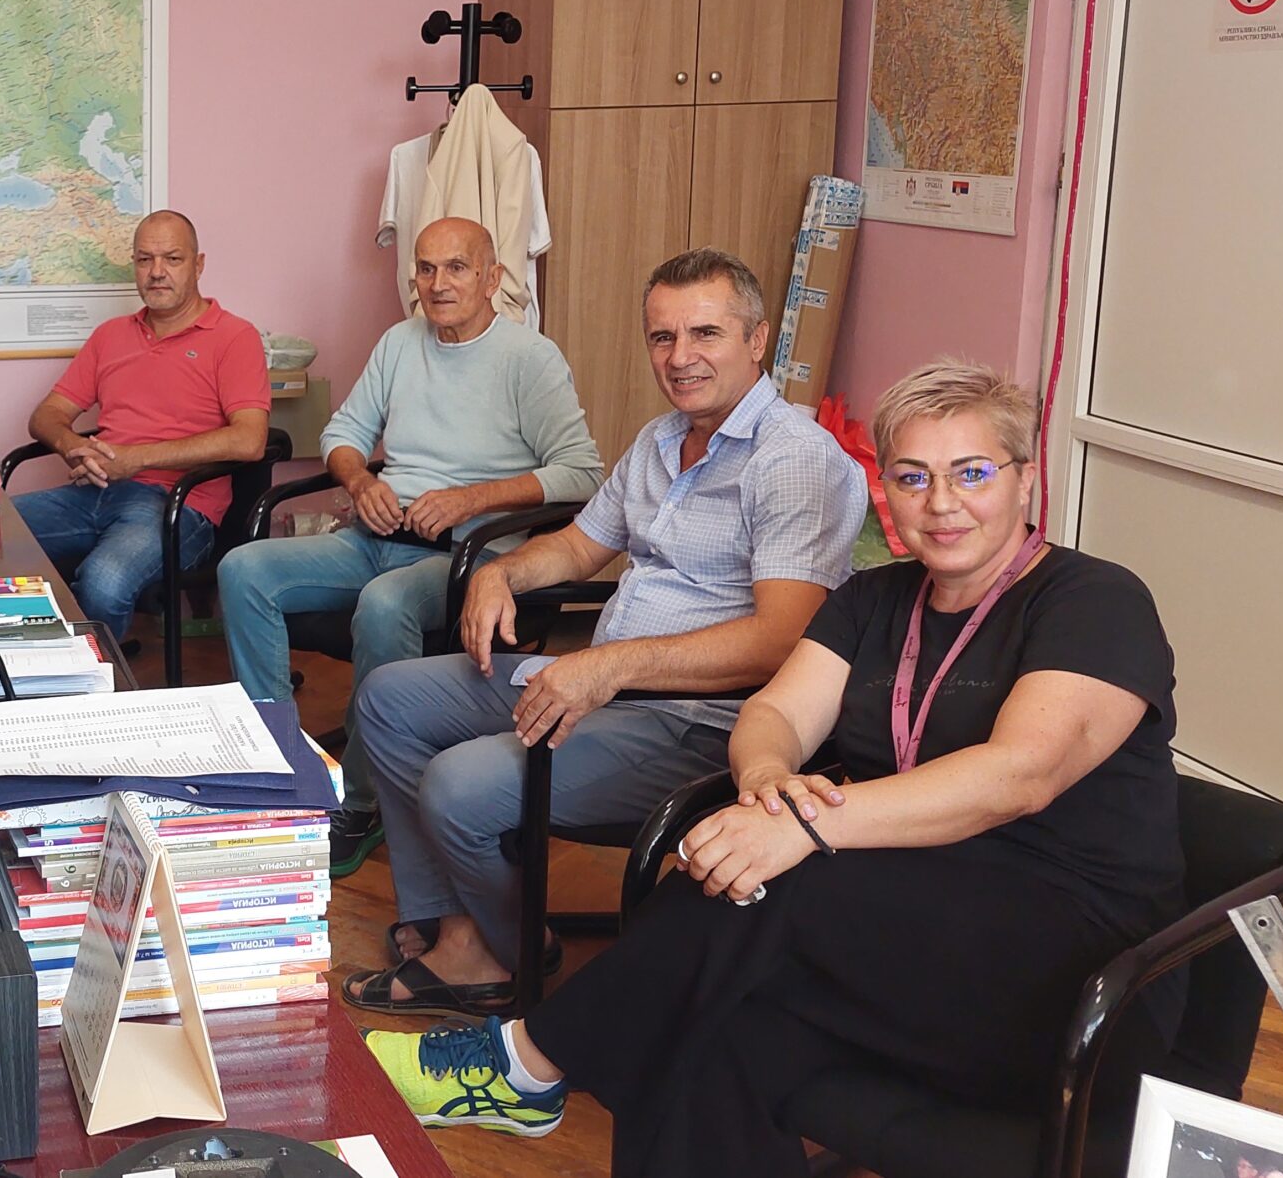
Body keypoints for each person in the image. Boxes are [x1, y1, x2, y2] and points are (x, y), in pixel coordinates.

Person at [365, 360, 1185, 1178]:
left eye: (971, 473)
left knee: (785, 885)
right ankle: (529, 1069)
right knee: (708, 1023)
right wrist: (766, 781)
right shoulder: (874, 600)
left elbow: (1020, 775)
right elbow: (777, 714)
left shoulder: (1094, 601)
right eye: (912, 477)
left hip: (1070, 971)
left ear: (1025, 480)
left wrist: (804, 824)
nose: (941, 503)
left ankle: (527, 1062)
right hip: (904, 924)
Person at [340, 247, 864, 1018]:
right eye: (662, 337)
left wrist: (610, 667)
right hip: (604, 685)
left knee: (459, 784)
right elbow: (579, 547)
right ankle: (467, 931)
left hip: (697, 723)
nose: (680, 358)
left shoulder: (793, 460)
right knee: (388, 697)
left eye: (705, 334)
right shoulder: (660, 440)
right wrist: (499, 573)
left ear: (757, 341)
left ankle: (493, 946)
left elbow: (782, 639)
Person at [216, 216, 604, 873]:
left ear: (492, 279)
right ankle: (279, 766)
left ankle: (366, 800)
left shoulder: (529, 358)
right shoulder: (399, 343)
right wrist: (360, 480)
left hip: (468, 555)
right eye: (425, 268)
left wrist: (472, 499)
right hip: (377, 534)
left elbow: (582, 472)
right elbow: (343, 433)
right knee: (242, 568)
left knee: (385, 602)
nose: (438, 283)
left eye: (457, 268)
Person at [10, 210, 271, 643]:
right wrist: (74, 446)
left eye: (172, 259)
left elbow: (250, 440)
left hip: (178, 507)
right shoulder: (110, 335)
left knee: (104, 582)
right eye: (145, 260)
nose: (157, 272)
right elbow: (46, 415)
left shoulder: (234, 337)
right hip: (93, 492)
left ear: (199, 265)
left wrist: (137, 460)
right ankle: (23, 668)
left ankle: (94, 680)